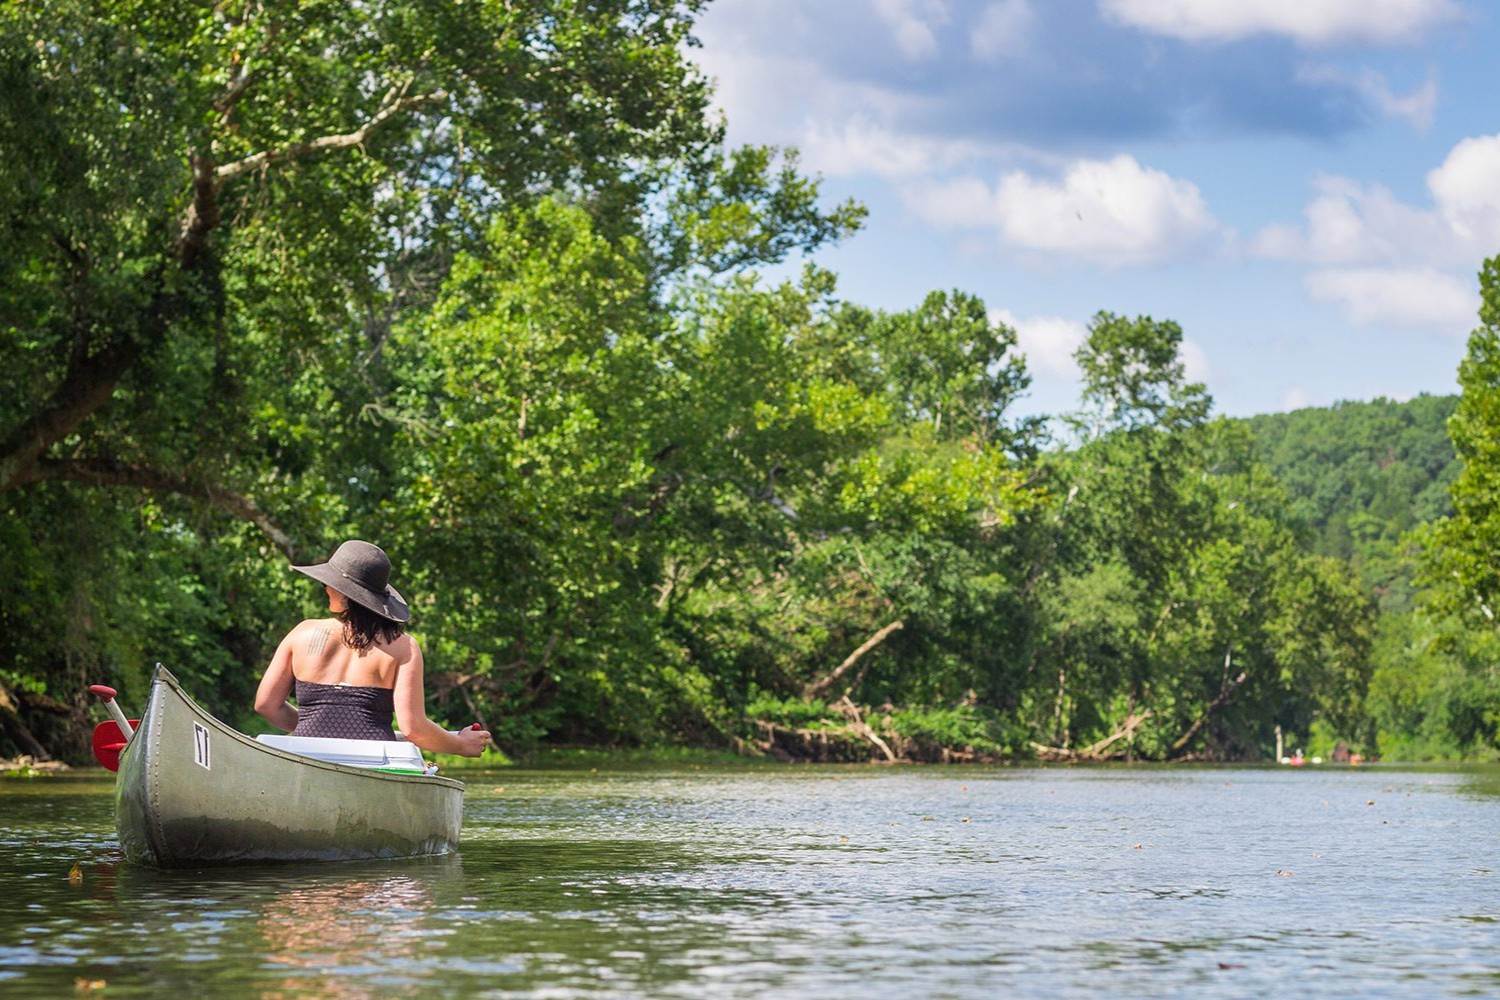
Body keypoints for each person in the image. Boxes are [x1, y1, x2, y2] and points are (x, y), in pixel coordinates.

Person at [254, 539, 490, 756]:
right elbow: (413, 729)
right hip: (374, 760)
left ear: (345, 592)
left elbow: (267, 705)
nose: (325, 588)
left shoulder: (302, 633)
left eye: (330, 583)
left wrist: (320, 727)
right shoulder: (403, 647)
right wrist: (461, 745)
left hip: (306, 755)